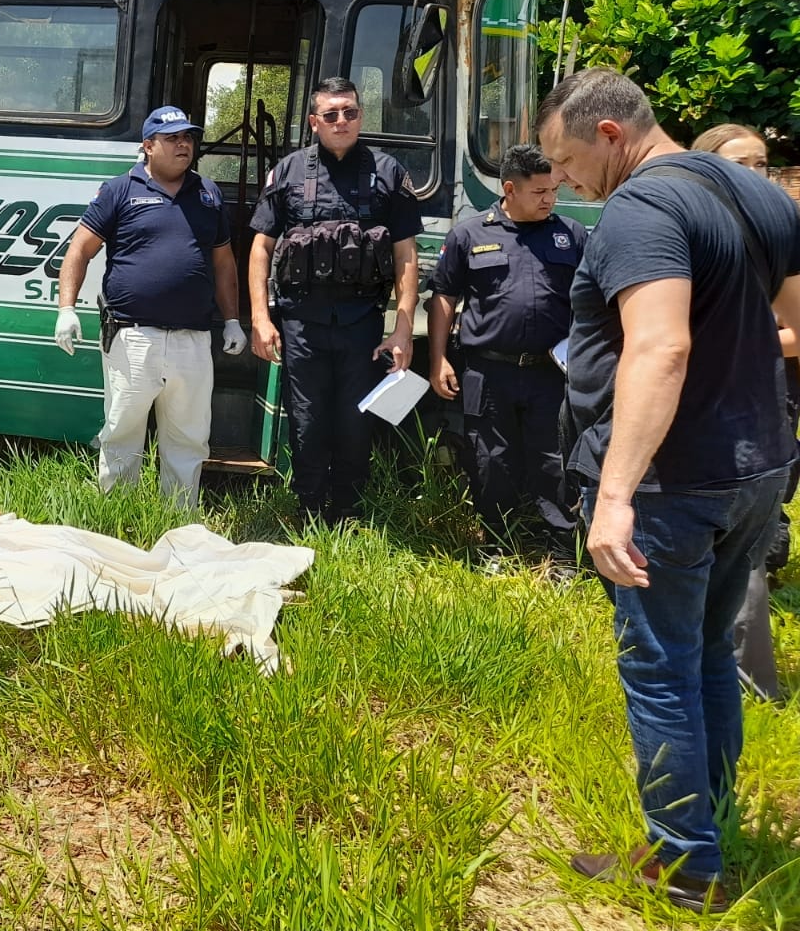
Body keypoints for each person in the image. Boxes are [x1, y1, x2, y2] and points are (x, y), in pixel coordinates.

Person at [539, 69, 800, 913]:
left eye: (567, 157)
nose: (565, 179)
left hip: (672, 481)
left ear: (609, 134)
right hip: (756, 466)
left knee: (658, 668)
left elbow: (660, 349)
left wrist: (614, 496)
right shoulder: (754, 194)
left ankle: (684, 865)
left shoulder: (641, 209)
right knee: (709, 658)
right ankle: (706, 835)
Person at [246, 78, 422, 521]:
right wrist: (260, 319)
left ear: (360, 116)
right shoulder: (287, 171)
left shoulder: (388, 173)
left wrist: (403, 327)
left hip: (362, 323)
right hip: (300, 323)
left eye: (350, 112)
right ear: (314, 122)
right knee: (306, 421)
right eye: (331, 114)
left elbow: (405, 255)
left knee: (354, 422)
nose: (342, 121)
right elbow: (261, 248)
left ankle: (348, 516)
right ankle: (307, 513)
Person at [54, 106, 244, 507]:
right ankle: (116, 517)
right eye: (173, 138)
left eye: (188, 137)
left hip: (193, 339)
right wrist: (66, 309)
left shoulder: (209, 194)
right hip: (132, 335)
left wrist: (232, 320)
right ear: (148, 146)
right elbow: (79, 251)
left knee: (189, 438)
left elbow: (224, 262)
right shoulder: (118, 190)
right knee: (122, 432)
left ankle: (177, 521)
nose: (184, 144)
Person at [427, 144, 586, 568]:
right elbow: (443, 298)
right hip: (488, 370)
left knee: (555, 461)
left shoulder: (571, 234)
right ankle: (495, 544)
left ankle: (562, 554)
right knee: (489, 460)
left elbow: (592, 302)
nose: (549, 199)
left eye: (552, 190)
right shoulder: (470, 233)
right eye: (539, 192)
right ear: (510, 189)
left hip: (551, 373)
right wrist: (438, 359)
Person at [691, 122, 793, 702]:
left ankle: (752, 685)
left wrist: (739, 337)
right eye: (741, 164)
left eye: (762, 164)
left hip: (754, 403)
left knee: (746, 554)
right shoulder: (690, 227)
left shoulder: (773, 232)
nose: (755, 176)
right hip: (697, 405)